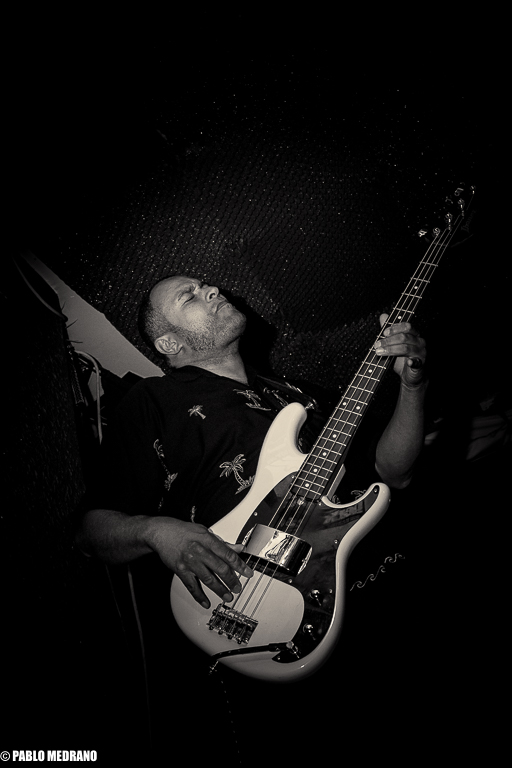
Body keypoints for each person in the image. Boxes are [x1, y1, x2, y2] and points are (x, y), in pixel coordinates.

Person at [76, 275, 427, 757]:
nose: (212, 291)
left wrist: (412, 386)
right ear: (169, 343)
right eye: (189, 296)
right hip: (257, 605)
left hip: (377, 581)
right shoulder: (153, 400)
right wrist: (156, 531)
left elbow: (392, 472)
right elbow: (90, 530)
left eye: (206, 285)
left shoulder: (296, 395)